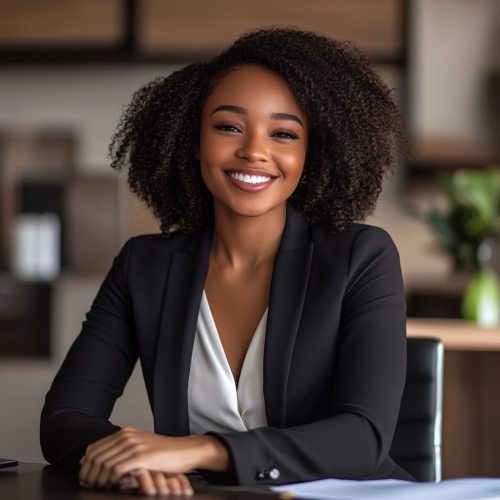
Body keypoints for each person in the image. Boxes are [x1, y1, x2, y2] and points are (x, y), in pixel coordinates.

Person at [40, 27, 412, 495]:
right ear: (193, 141)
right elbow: (63, 418)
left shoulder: (361, 257)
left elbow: (364, 439)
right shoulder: (144, 267)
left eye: (283, 133)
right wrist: (131, 457)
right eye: (229, 126)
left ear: (309, 153)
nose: (254, 150)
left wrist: (195, 450)